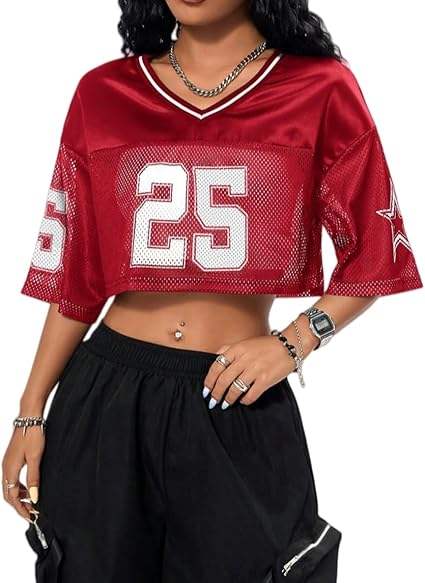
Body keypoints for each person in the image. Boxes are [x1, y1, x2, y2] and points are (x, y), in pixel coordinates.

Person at [2, 1, 423, 582]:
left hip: (236, 394)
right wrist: (30, 413)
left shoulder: (320, 88)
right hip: (105, 398)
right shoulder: (103, 92)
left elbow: (377, 253)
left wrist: (294, 343)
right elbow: (77, 275)